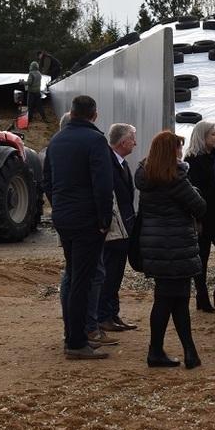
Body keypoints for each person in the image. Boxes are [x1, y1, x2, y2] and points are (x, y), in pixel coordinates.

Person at [43, 95, 113, 360]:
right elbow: (103, 184)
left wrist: (58, 205)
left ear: (71, 113)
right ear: (94, 115)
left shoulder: (56, 140)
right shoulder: (95, 141)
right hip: (87, 220)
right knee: (82, 281)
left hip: (64, 217)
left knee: (73, 276)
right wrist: (104, 220)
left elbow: (47, 180)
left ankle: (72, 335)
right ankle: (76, 342)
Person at [135, 131, 206, 369]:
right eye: (178, 148)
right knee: (174, 300)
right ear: (171, 152)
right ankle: (179, 352)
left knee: (168, 298)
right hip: (176, 245)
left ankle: (181, 351)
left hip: (154, 245)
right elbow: (199, 207)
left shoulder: (147, 175)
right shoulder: (175, 177)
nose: (181, 153)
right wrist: (195, 189)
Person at [96, 124, 139, 334]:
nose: (135, 143)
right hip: (114, 229)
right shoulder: (108, 163)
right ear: (122, 142)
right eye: (132, 139)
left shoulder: (120, 163)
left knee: (116, 274)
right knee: (110, 274)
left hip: (124, 227)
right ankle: (104, 316)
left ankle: (112, 314)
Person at [184, 121, 215, 313]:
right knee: (201, 258)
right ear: (203, 137)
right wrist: (197, 218)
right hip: (203, 217)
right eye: (213, 134)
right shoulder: (192, 161)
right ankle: (202, 297)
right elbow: (193, 193)